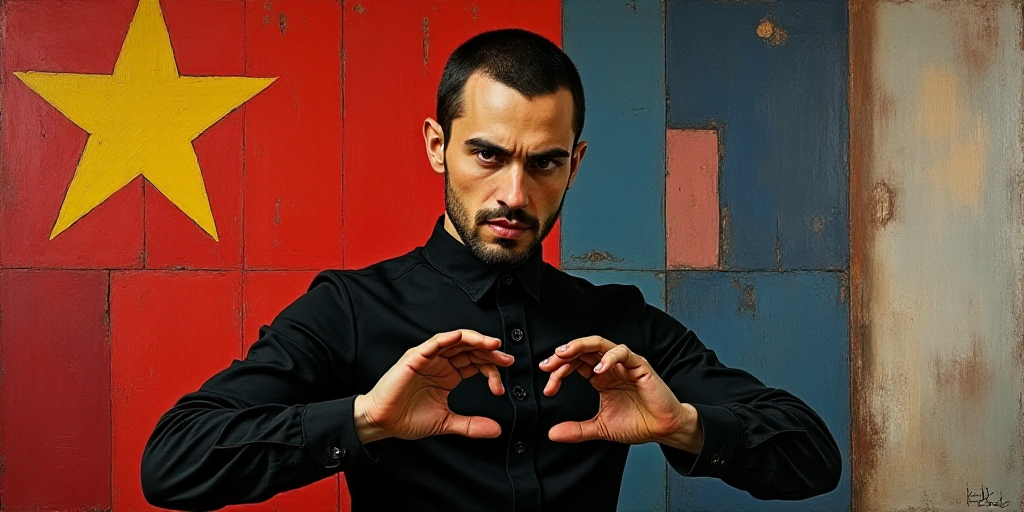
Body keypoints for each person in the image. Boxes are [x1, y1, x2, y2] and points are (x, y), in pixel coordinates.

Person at [141, 28, 841, 511]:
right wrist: (362, 421)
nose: (514, 193)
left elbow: (813, 458)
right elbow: (175, 463)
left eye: (544, 162)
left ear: (576, 164)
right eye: (487, 155)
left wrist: (686, 426)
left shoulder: (618, 328)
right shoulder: (350, 311)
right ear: (437, 145)